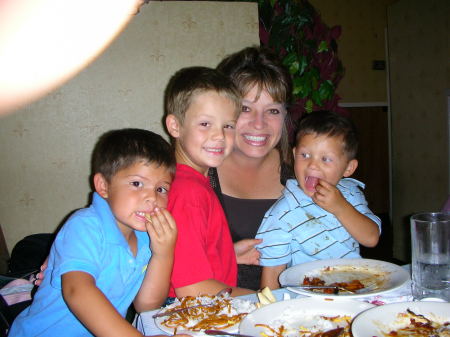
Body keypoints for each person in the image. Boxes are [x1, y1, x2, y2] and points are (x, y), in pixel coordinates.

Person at [8, 128, 188, 337]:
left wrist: (164, 253)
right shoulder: (85, 225)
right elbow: (77, 291)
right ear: (103, 186)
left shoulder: (145, 236)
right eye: (137, 183)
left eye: (161, 189)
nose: (152, 198)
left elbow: (146, 305)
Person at [256, 111, 382, 290]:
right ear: (294, 154)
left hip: (353, 287)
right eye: (305, 155)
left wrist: (341, 207)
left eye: (326, 159)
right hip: (306, 295)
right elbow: (273, 271)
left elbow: (371, 238)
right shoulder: (283, 212)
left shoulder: (351, 194)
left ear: (348, 168)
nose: (313, 165)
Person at [164, 66, 255, 298]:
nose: (219, 136)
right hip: (189, 316)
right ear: (175, 126)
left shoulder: (191, 182)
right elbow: (192, 289)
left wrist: (226, 253)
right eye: (205, 124)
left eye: (228, 126)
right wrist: (260, 301)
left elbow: (183, 256)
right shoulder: (188, 192)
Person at [208, 46, 295, 290]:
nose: (259, 123)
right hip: (221, 315)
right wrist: (224, 259)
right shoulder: (198, 177)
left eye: (273, 110)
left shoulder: (302, 173)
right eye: (246, 108)